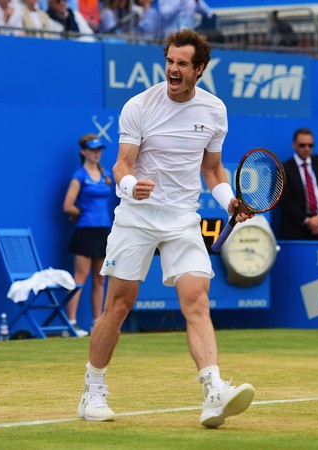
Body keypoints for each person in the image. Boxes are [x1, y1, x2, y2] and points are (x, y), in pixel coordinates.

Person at [77, 30, 255, 428]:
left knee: (197, 300)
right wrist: (129, 186)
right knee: (118, 306)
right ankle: (92, 390)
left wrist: (228, 200)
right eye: (170, 61)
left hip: (182, 219)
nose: (173, 69)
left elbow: (212, 170)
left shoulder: (214, 110)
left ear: (199, 69)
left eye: (182, 64)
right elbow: (122, 164)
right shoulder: (139, 106)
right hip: (136, 218)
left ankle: (213, 393)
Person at [62, 134, 113, 337]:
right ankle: (71, 323)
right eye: (93, 150)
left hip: (103, 231)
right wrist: (81, 213)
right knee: (80, 278)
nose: (96, 153)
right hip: (85, 231)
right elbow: (67, 205)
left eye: (99, 150)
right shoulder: (79, 176)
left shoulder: (107, 175)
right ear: (83, 152)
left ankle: (97, 323)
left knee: (100, 280)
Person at [280, 127, 318, 240]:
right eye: (302, 145)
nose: (307, 148)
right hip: (296, 229)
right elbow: (284, 200)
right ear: (294, 145)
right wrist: (307, 221)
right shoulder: (285, 168)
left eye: (310, 145)